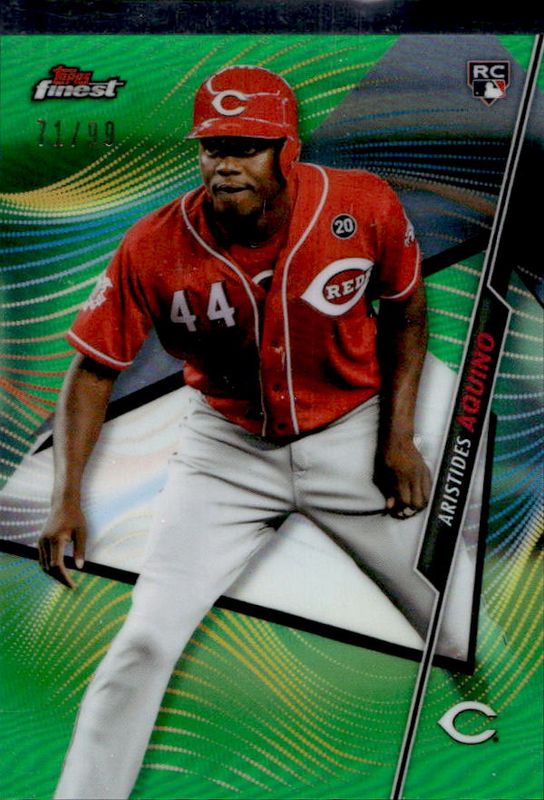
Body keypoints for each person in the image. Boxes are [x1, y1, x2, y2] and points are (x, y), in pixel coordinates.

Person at [38, 65, 469, 799]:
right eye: (213, 147)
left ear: (287, 149)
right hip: (226, 451)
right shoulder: (153, 245)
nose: (226, 164)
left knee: (457, 625)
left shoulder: (359, 204)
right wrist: (66, 497)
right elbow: (92, 371)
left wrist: (398, 439)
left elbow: (406, 309)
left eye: (247, 146)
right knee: (144, 641)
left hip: (353, 432)